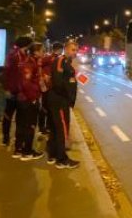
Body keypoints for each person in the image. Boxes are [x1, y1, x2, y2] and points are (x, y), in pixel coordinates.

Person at [46, 41, 80, 169]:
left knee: (56, 129)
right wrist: (68, 96)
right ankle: (62, 160)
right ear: (66, 49)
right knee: (62, 129)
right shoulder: (61, 61)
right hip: (60, 101)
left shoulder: (66, 62)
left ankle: (54, 154)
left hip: (60, 100)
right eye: (73, 49)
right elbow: (58, 82)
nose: (75, 52)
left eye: (76, 50)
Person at [14, 42, 45, 161]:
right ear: (36, 52)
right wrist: (33, 98)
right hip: (28, 100)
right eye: (42, 50)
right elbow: (26, 83)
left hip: (23, 99)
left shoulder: (30, 62)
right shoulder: (30, 63)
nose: (43, 52)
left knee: (21, 125)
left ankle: (18, 149)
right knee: (29, 126)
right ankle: (27, 151)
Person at [1, 36, 33, 146]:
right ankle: (5, 137)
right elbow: (5, 73)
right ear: (26, 45)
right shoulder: (13, 56)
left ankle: (17, 140)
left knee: (20, 117)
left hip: (21, 92)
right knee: (8, 115)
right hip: (12, 91)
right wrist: (7, 89)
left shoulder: (25, 56)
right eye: (30, 45)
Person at [39, 42, 64, 135]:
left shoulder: (58, 59)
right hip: (47, 87)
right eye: (60, 50)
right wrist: (43, 76)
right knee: (45, 107)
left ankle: (47, 126)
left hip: (52, 87)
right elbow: (39, 66)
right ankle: (43, 126)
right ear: (58, 50)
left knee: (49, 108)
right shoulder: (50, 58)